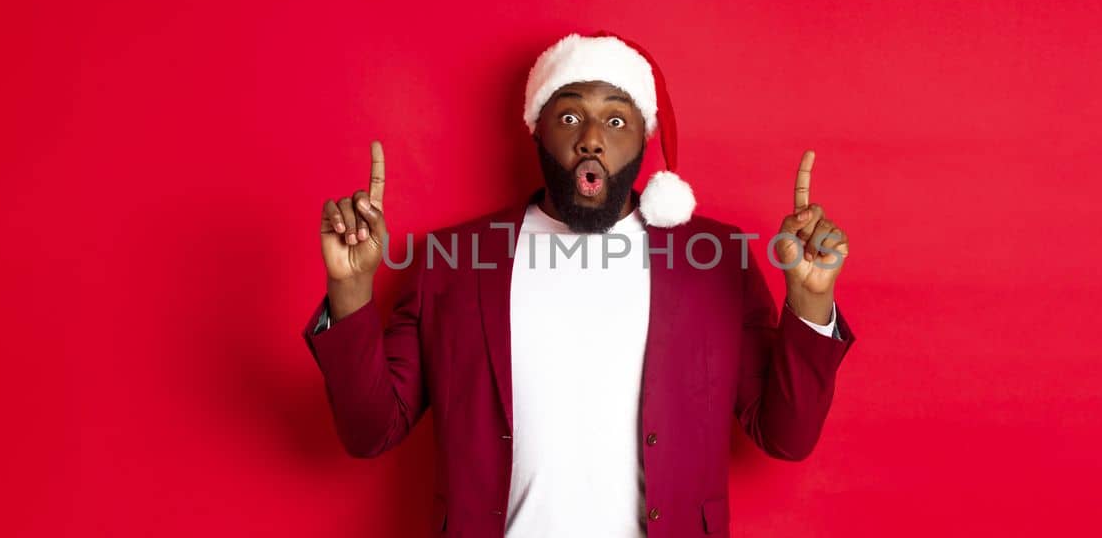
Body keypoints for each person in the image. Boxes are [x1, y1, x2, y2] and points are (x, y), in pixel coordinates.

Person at [304, 32, 855, 538]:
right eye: (570, 118)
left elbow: (785, 436)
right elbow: (370, 431)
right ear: (537, 129)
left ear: (645, 139)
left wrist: (810, 302)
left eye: (616, 121)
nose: (592, 139)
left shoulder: (713, 261)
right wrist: (349, 290)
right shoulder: (452, 261)